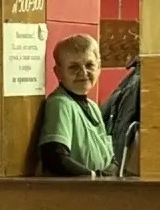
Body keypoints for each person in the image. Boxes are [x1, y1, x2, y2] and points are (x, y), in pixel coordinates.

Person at [39, 34, 117, 177]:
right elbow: (55, 158)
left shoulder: (93, 107)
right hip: (78, 189)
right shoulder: (60, 104)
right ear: (58, 72)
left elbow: (110, 158)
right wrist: (94, 177)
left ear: (99, 67)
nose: (83, 72)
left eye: (89, 65)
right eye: (73, 67)